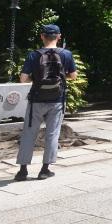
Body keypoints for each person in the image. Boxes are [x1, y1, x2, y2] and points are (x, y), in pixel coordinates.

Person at [15, 24, 78, 181]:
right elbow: (74, 76)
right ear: (59, 36)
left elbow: (23, 79)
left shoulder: (33, 55)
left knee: (29, 133)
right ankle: (45, 170)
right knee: (52, 134)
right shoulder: (66, 54)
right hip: (57, 100)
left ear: (42, 36)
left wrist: (36, 79)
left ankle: (22, 171)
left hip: (36, 99)